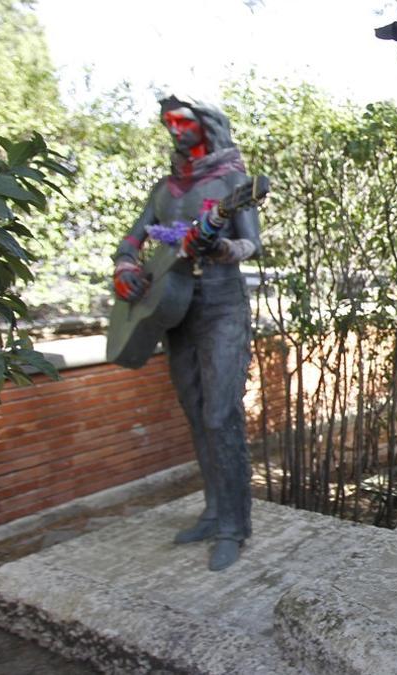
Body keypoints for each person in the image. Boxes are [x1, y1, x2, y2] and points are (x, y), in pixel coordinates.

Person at [112, 95, 262, 572]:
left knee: (221, 416)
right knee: (196, 414)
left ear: (205, 124)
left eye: (182, 121)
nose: (173, 129)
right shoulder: (166, 188)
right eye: (168, 122)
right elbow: (134, 237)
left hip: (221, 306)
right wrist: (124, 268)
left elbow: (250, 244)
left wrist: (219, 248)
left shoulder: (233, 181)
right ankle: (213, 511)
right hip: (174, 307)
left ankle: (234, 527)